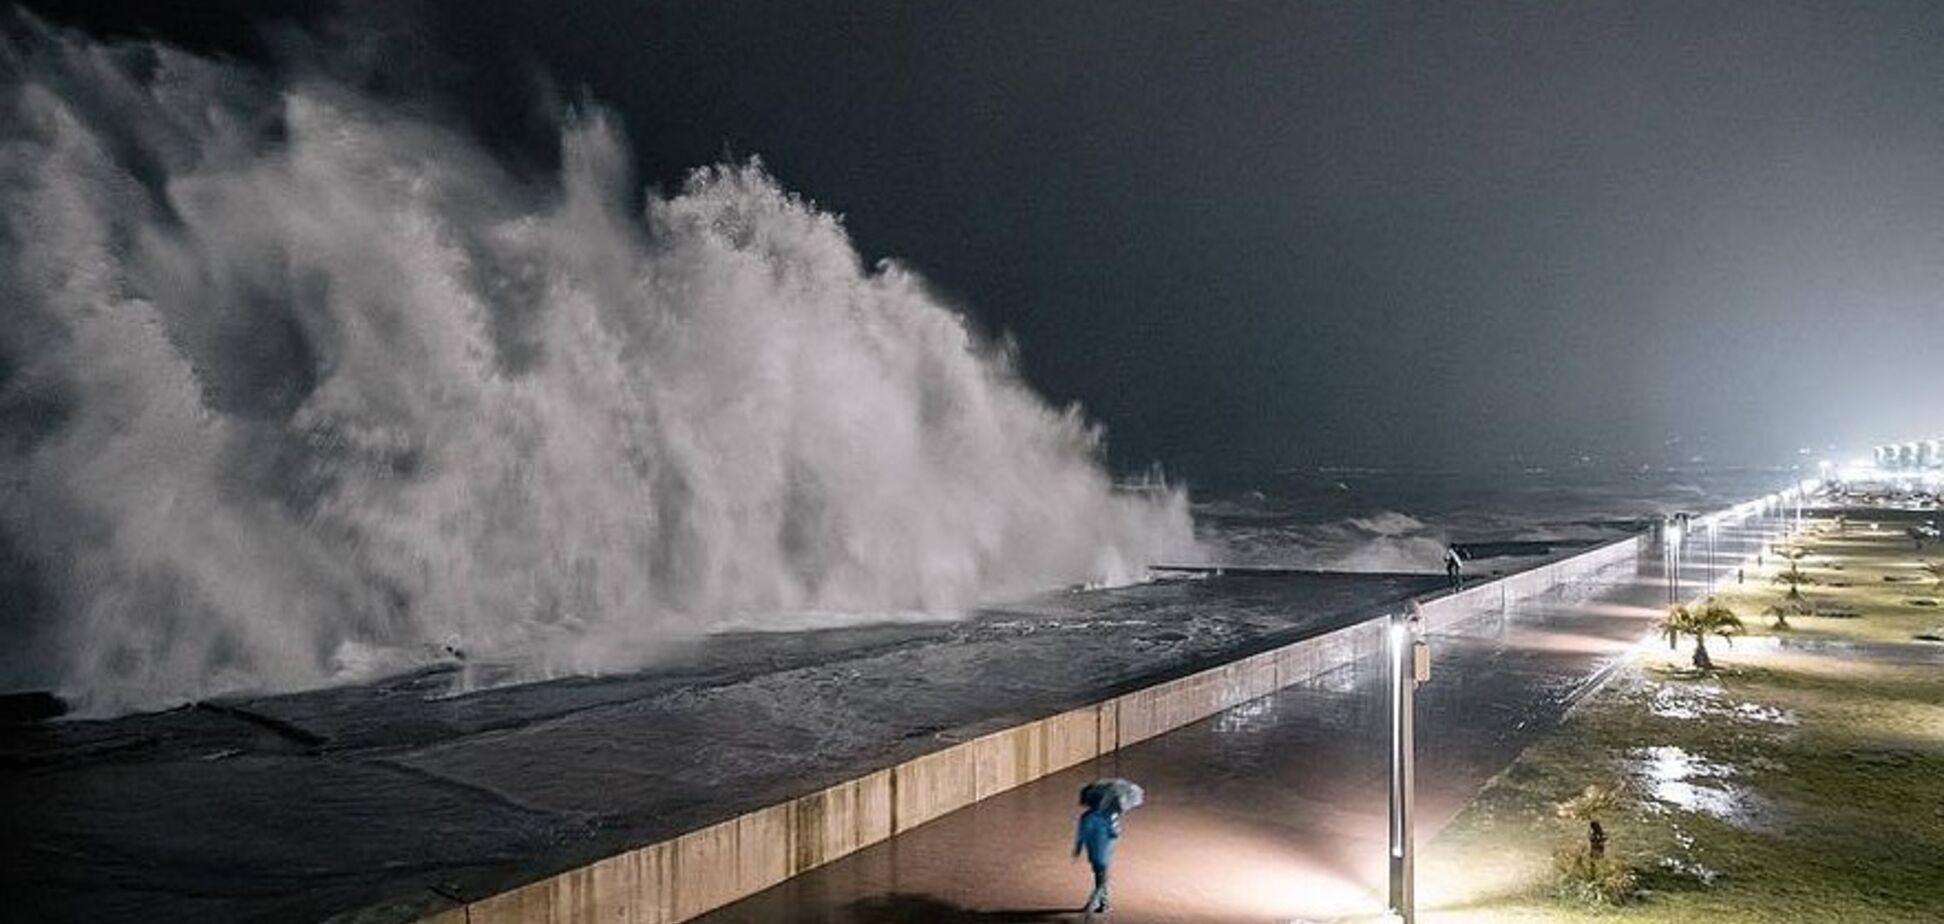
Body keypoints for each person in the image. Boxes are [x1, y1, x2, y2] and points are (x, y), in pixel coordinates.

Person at [1073, 804, 1121, 914]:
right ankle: (1091, 904)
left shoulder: (1086, 816)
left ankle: (1104, 904)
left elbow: (1081, 836)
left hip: (1092, 852)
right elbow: (1115, 834)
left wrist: (1078, 850)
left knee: (1099, 877)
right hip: (1104, 853)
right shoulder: (1110, 816)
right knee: (1102, 881)